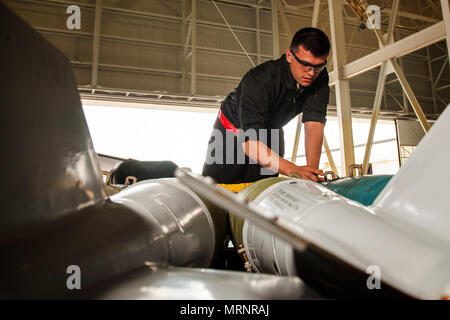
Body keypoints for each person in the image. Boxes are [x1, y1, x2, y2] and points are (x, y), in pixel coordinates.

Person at [202, 27, 330, 184]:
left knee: (266, 189)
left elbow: (314, 124)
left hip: (271, 131)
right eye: (305, 64)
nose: (311, 73)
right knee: (218, 189)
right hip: (231, 132)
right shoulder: (259, 80)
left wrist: (311, 174)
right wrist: (294, 169)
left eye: (318, 66)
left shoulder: (320, 77)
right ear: (290, 56)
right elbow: (252, 146)